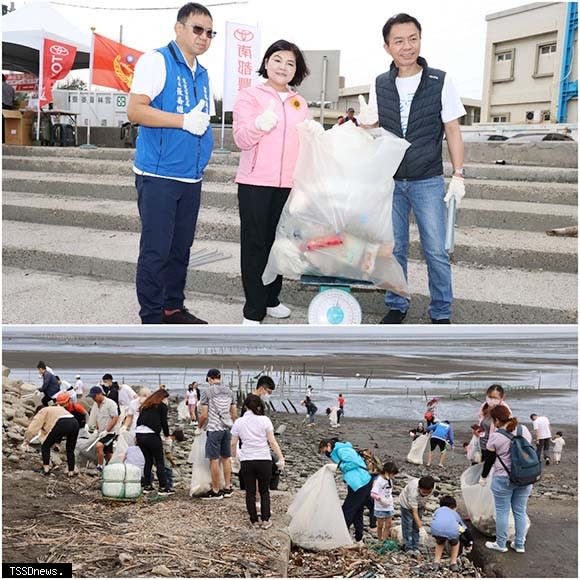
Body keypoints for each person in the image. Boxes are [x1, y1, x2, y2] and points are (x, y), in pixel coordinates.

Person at [359, 13, 466, 324]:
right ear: (387, 47)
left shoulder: (439, 80)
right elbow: (374, 126)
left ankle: (441, 311)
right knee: (394, 248)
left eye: (412, 39)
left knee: (435, 250)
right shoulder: (380, 83)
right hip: (390, 180)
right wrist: (366, 124)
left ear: (420, 40)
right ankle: (396, 304)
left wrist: (458, 173)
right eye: (399, 41)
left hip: (427, 179)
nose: (406, 47)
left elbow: (453, 130)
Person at [128, 2, 216, 325]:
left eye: (210, 32)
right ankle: (151, 318)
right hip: (158, 175)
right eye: (197, 29)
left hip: (190, 177)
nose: (204, 37)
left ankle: (172, 307)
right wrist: (181, 121)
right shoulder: (157, 60)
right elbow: (135, 110)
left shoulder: (202, 73)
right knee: (156, 252)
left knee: (181, 249)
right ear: (179, 28)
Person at [233, 39, 310, 325]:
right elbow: (241, 138)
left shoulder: (298, 102)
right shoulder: (250, 96)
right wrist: (258, 125)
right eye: (278, 60)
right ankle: (253, 309)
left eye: (290, 63)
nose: (283, 67)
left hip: (288, 185)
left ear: (296, 70)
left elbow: (307, 142)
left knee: (279, 243)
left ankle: (271, 297)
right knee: (255, 244)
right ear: (266, 63)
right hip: (255, 182)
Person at [480, 405, 534, 554]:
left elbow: (489, 461)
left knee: (502, 512)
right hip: (525, 477)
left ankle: (501, 543)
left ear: (497, 419)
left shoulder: (495, 437)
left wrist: (483, 477)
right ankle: (519, 544)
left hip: (503, 478)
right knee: (520, 511)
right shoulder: (524, 430)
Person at [231, 394, 285, 528]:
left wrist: (234, 458)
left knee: (250, 491)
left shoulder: (239, 422)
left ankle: (254, 520)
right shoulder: (265, 420)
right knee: (264, 490)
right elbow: (272, 441)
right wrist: (281, 457)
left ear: (245, 406)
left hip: (247, 459)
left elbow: (233, 443)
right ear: (259, 406)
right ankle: (266, 520)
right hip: (263, 459)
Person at [319, 438, 373, 544]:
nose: (325, 453)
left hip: (360, 482)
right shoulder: (339, 450)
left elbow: (354, 463)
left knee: (348, 509)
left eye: (324, 450)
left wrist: (339, 466)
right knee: (358, 509)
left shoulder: (341, 450)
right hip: (359, 482)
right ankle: (358, 536)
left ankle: (340, 535)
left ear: (329, 445)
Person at [198, 368, 237, 499]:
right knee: (226, 458)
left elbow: (204, 415)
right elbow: (234, 413)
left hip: (214, 429)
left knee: (214, 460)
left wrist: (199, 427)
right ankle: (228, 487)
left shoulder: (206, 392)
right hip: (227, 428)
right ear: (220, 377)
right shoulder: (230, 392)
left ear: (209, 378)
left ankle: (215, 490)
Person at [22, 404, 80, 477]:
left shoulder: (42, 412)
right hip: (75, 422)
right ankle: (71, 471)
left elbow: (33, 427)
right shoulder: (55, 409)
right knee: (70, 449)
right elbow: (53, 429)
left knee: (45, 445)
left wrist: (26, 441)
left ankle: (46, 469)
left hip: (62, 423)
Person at [135, 388, 174, 495]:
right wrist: (167, 436)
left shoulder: (146, 405)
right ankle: (163, 487)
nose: (167, 401)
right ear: (163, 398)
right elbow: (164, 422)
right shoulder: (161, 406)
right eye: (166, 399)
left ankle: (147, 486)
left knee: (148, 460)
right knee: (159, 461)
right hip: (151, 435)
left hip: (139, 434)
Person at [430, 495, 468, 572]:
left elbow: (434, 518)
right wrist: (469, 540)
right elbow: (463, 527)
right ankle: (453, 563)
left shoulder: (438, 510)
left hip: (436, 530)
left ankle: (436, 562)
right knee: (455, 543)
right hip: (452, 532)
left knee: (440, 542)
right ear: (454, 507)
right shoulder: (454, 513)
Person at [86, 385, 119, 473]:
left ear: (100, 394)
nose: (93, 399)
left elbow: (115, 418)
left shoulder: (110, 403)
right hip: (101, 432)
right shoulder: (96, 404)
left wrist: (106, 431)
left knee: (99, 446)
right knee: (108, 453)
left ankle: (100, 467)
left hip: (110, 432)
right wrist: (96, 428)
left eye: (94, 396)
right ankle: (113, 468)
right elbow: (97, 417)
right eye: (92, 397)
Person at [399, 475, 435, 553]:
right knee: (408, 526)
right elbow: (414, 512)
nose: (426, 494)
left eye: (428, 492)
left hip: (420, 504)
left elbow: (426, 497)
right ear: (419, 488)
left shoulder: (432, 486)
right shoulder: (413, 491)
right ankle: (408, 547)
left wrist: (424, 506)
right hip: (406, 504)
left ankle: (415, 546)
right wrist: (421, 528)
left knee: (416, 526)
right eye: (424, 492)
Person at [478, 384, 511, 462]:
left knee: (489, 470)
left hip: (495, 448)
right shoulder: (484, 407)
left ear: (502, 398)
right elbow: (481, 423)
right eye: (490, 397)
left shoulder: (504, 410)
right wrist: (477, 431)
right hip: (482, 445)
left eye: (495, 398)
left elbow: (507, 432)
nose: (491, 400)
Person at [370, 462, 398, 541]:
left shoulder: (389, 480)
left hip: (389, 505)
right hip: (380, 507)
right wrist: (380, 499)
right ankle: (379, 540)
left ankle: (384, 540)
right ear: (386, 473)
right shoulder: (379, 481)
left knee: (388, 524)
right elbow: (372, 494)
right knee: (380, 525)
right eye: (392, 474)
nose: (393, 477)